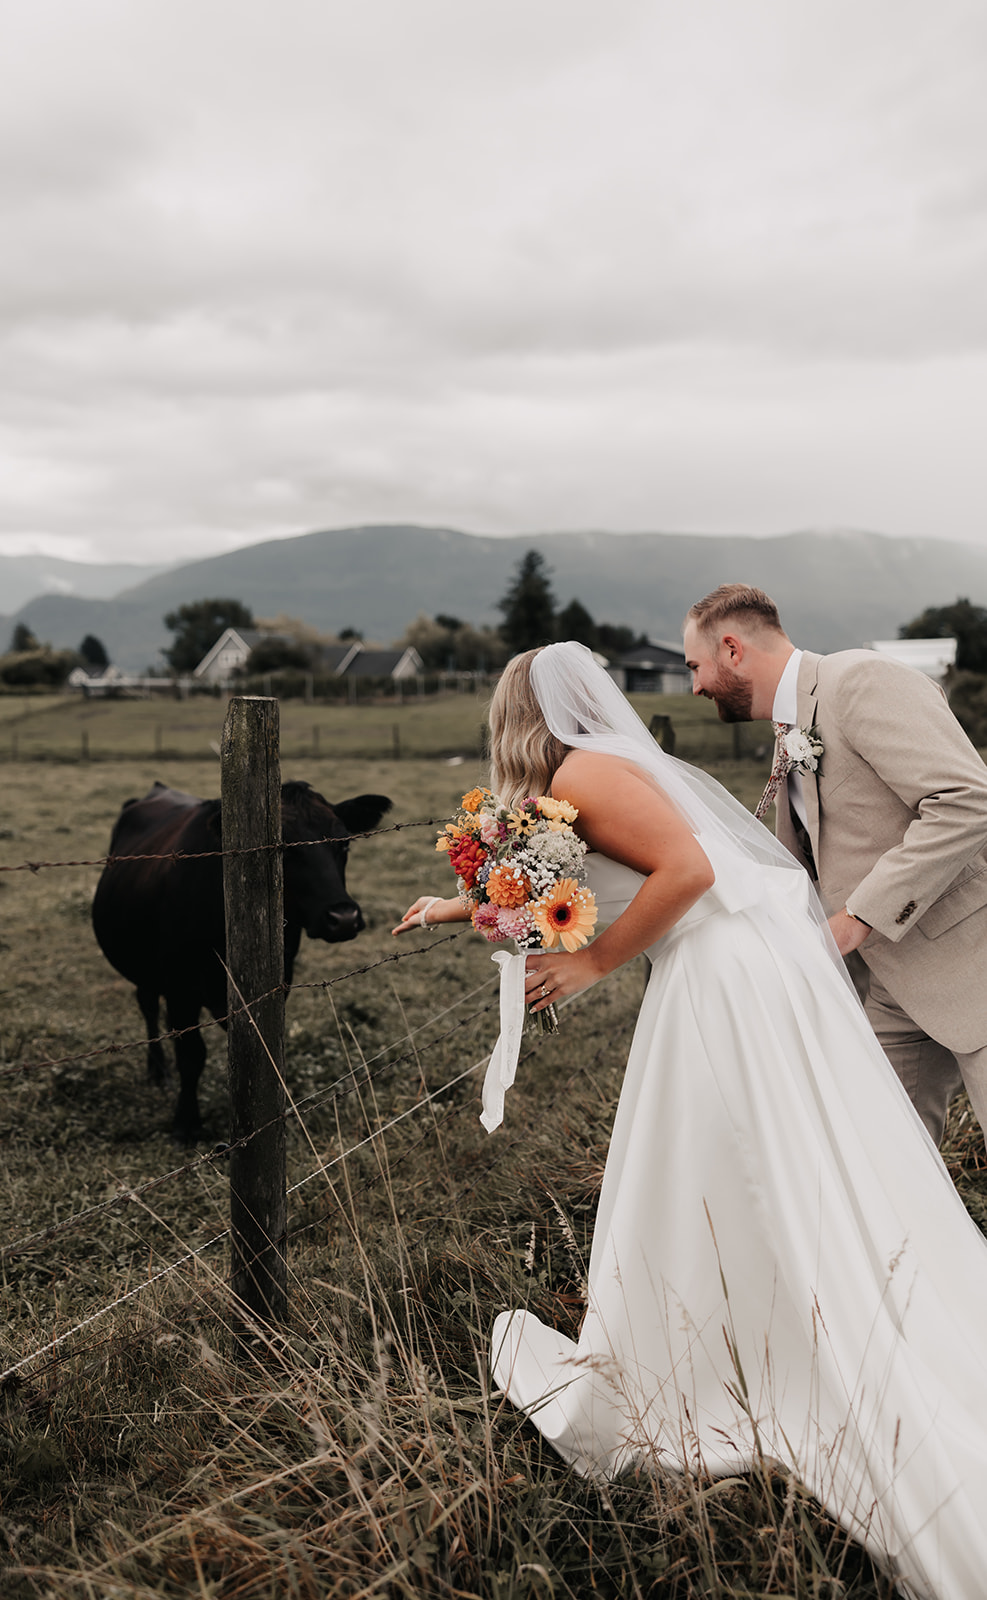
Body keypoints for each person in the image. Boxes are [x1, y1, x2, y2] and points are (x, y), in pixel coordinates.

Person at [395, 641, 987, 1600]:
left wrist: (590, 967)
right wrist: (460, 907)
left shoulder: (585, 768)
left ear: (513, 712)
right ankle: (746, 1321)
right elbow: (573, 881)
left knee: (739, 1157)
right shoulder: (570, 781)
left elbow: (681, 874)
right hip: (718, 973)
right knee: (726, 1161)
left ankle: (776, 1341)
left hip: (721, 978)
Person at [683, 584, 987, 1146]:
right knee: (885, 1156)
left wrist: (855, 919)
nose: (695, 685)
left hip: (969, 962)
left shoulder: (861, 681)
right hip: (891, 985)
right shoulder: (790, 728)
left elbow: (966, 801)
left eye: (695, 666)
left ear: (731, 649)